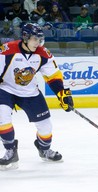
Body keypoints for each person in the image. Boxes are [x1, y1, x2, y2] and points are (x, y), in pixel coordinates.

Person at [0, 23, 74, 170]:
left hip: (30, 92)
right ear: (25, 37)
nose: (38, 43)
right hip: (6, 89)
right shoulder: (7, 51)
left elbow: (53, 76)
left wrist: (62, 93)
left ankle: (44, 149)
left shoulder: (43, 54)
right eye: (35, 39)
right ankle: (10, 151)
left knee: (46, 127)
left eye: (40, 39)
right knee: (2, 117)